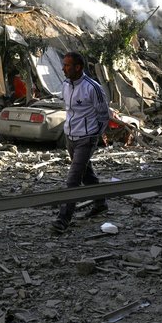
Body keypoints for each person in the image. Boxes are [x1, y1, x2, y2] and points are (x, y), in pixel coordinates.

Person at [52, 52, 110, 234]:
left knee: (73, 179)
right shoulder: (65, 85)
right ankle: (100, 203)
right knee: (86, 174)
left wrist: (94, 135)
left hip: (87, 138)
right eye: (63, 65)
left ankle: (63, 219)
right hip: (71, 137)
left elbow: (104, 115)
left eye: (67, 65)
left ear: (78, 67)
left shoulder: (93, 88)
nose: (63, 68)